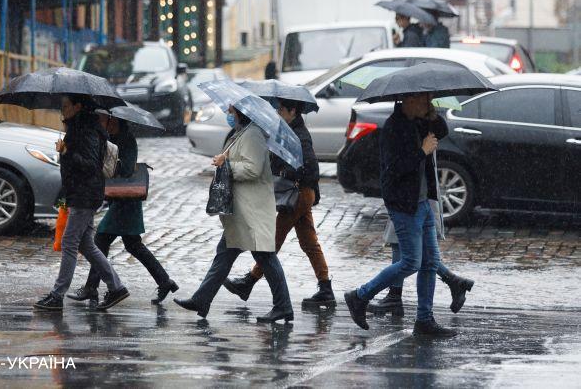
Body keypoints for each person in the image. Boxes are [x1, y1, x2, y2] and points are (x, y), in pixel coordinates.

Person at [344, 94, 457, 337]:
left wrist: (432, 115)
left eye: (429, 100)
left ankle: (424, 320)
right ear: (407, 100)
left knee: (430, 263)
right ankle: (359, 296)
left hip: (425, 201)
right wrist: (422, 151)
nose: (427, 103)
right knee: (411, 262)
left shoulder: (419, 121)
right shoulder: (394, 128)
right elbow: (394, 168)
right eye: (423, 100)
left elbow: (442, 130)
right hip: (405, 204)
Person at [174, 106, 294, 323]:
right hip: (241, 212)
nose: (229, 113)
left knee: (265, 256)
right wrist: (225, 158)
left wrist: (226, 164)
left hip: (252, 211)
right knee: (225, 253)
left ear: (241, 112)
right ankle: (202, 299)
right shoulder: (244, 132)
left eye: (231, 110)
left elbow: (252, 169)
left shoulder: (253, 134)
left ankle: (283, 306)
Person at [222, 98, 335, 307]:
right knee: (309, 242)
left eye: (282, 109)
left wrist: (287, 172)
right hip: (301, 195)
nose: (279, 112)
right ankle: (325, 287)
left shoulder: (299, 136)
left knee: (274, 239)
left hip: (299, 195)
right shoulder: (289, 131)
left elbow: (309, 167)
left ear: (293, 111)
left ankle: (249, 281)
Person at [66, 114, 179, 306]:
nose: (100, 123)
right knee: (133, 245)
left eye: (103, 120)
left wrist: (110, 161)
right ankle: (164, 281)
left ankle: (91, 288)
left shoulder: (127, 140)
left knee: (101, 238)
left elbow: (126, 170)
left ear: (113, 120)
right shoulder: (109, 138)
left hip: (127, 201)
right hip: (120, 200)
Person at [34, 94, 129, 311]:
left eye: (66, 106)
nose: (62, 110)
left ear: (78, 106)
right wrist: (65, 151)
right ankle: (117, 288)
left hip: (85, 194)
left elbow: (90, 164)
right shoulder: (78, 127)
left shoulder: (86, 130)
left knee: (69, 243)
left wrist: (67, 152)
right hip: (80, 192)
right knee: (86, 245)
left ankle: (57, 296)